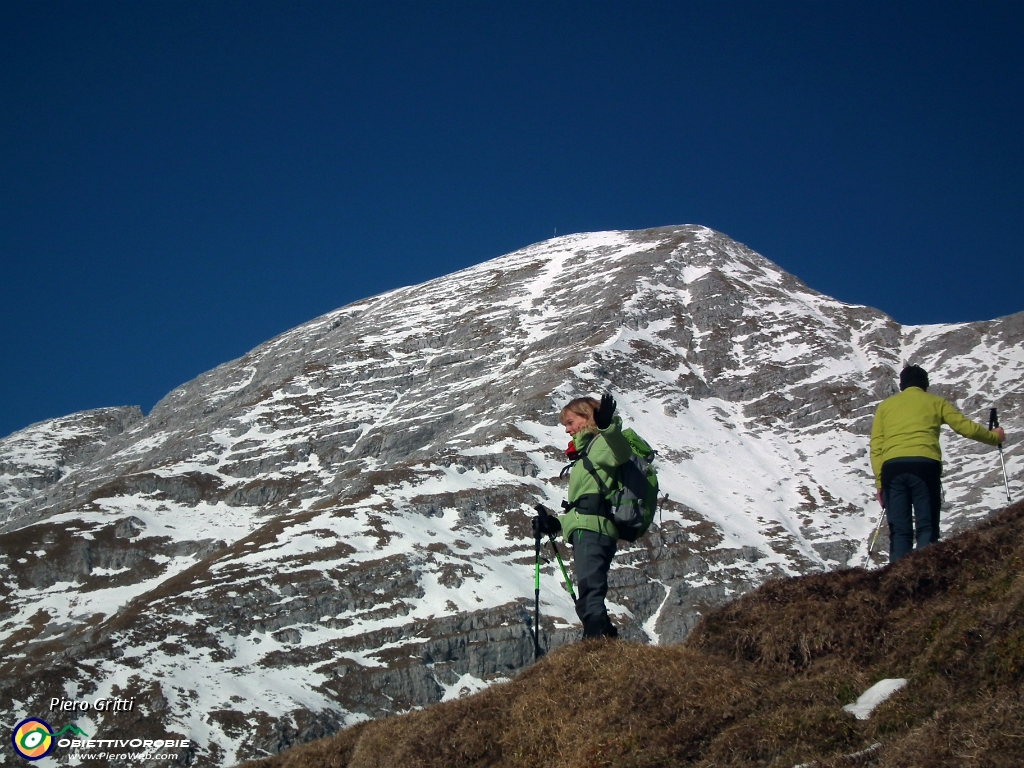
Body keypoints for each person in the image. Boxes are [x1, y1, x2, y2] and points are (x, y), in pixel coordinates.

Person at [870, 365, 1006, 562]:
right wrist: (994, 437)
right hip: (924, 466)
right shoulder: (936, 402)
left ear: (902, 386)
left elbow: (876, 447)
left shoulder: (885, 407)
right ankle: (925, 574)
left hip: (892, 469)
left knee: (900, 530)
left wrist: (880, 483)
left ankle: (897, 582)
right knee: (927, 526)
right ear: (926, 385)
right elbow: (964, 427)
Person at [533, 393, 632, 639]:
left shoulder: (601, 444)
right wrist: (556, 523)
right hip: (587, 526)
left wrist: (608, 426)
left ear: (587, 417)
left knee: (590, 586)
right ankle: (601, 634)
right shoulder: (587, 452)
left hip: (593, 529)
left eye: (570, 422)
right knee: (589, 586)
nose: (567, 430)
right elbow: (584, 504)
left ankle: (597, 638)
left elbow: (621, 452)